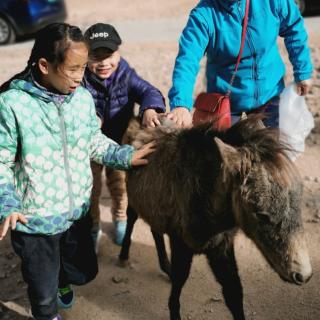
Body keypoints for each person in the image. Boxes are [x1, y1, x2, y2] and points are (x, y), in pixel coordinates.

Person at [0, 23, 155, 320]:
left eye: (83, 68)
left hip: (75, 213)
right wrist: (7, 201)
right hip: (35, 222)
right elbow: (1, 160)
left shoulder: (81, 98)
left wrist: (125, 156)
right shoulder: (12, 104)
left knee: (79, 271)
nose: (80, 77)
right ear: (45, 65)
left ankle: (61, 281)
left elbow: (93, 141)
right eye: (72, 69)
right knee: (42, 295)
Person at [82, 23, 166, 248]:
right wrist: (92, 118)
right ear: (85, 56)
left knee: (119, 184)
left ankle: (120, 218)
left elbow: (149, 91)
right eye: (95, 57)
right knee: (90, 188)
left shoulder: (126, 75)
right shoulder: (80, 80)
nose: (103, 63)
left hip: (120, 141)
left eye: (108, 55)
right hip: (91, 143)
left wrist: (150, 108)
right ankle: (93, 224)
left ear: (118, 54)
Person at [167, 0, 313, 128]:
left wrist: (303, 72)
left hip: (270, 93)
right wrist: (181, 104)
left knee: (275, 154)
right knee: (224, 156)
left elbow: (294, 29)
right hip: (226, 103)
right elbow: (187, 60)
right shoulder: (203, 15)